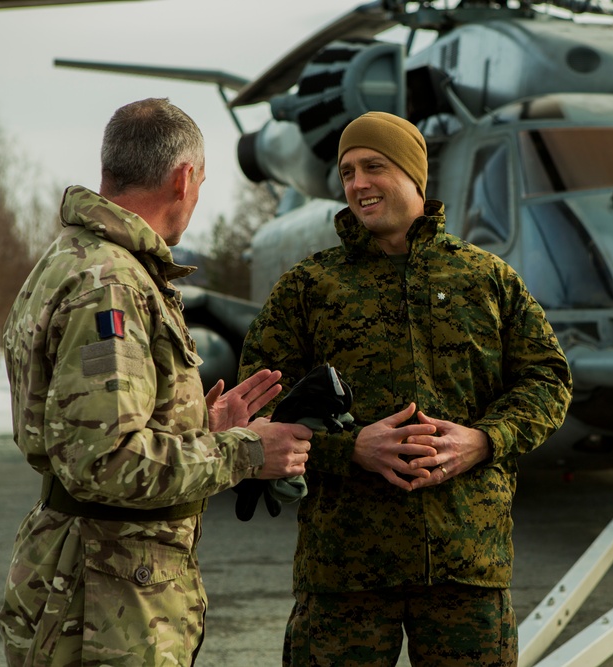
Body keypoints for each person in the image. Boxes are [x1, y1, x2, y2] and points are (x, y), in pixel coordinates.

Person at [238, 111, 573, 666]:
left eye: (374, 166)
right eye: (348, 172)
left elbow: (548, 379)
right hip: (343, 570)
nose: (358, 183)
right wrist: (352, 450)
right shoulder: (309, 287)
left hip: (466, 565)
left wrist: (484, 439)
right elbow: (254, 411)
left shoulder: (486, 278)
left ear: (415, 177)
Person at [0, 97, 313, 667]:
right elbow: (105, 462)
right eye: (202, 182)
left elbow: (86, 427)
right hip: (106, 596)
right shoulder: (111, 284)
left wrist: (198, 425)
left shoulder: (77, 259)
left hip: (101, 580)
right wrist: (245, 454)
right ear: (183, 177)